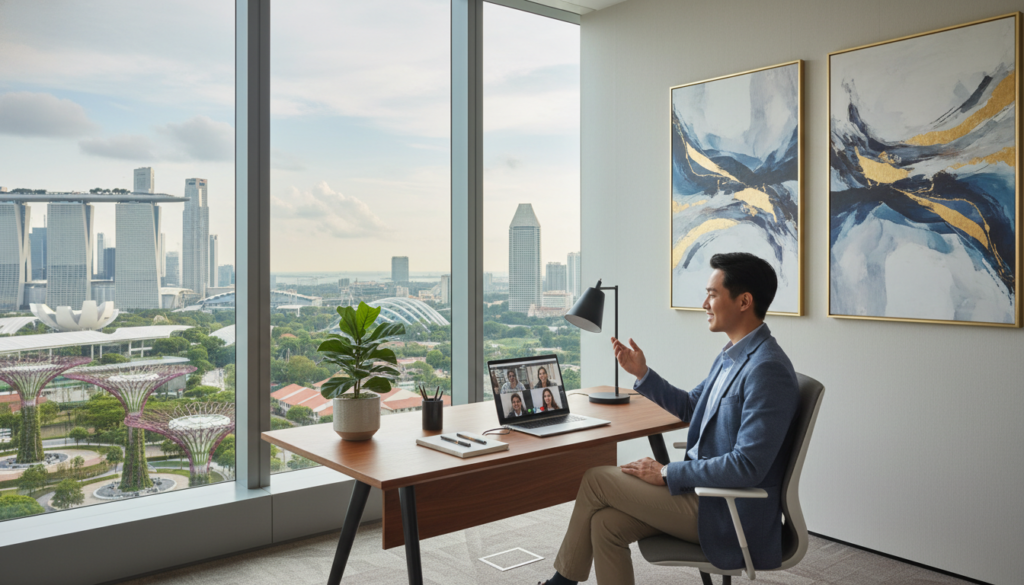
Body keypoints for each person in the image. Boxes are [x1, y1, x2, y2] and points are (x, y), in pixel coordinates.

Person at [539, 252, 799, 585]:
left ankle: (559, 584)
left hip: (726, 513)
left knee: (595, 478)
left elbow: (748, 466)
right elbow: (693, 407)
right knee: (605, 525)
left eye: (713, 294)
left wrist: (665, 472)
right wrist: (643, 373)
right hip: (703, 495)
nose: (704, 303)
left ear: (744, 301)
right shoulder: (731, 356)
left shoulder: (766, 369)